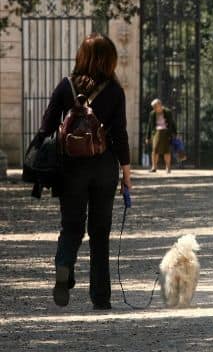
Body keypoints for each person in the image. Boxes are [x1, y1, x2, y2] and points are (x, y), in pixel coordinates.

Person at [40, 33, 131, 310]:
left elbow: (46, 127)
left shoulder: (66, 86)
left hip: (71, 169)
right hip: (104, 167)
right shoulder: (115, 91)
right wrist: (126, 174)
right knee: (100, 232)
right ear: (110, 60)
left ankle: (63, 268)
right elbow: (120, 135)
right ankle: (101, 297)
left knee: (71, 227)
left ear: (82, 56)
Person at [146, 99, 176, 173]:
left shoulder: (167, 112)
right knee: (155, 150)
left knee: (167, 150)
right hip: (156, 133)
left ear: (160, 105)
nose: (154, 108)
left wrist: (175, 133)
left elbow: (172, 123)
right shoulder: (152, 113)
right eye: (153, 107)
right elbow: (149, 125)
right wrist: (148, 137)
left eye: (155, 106)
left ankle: (168, 167)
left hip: (166, 132)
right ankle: (154, 167)